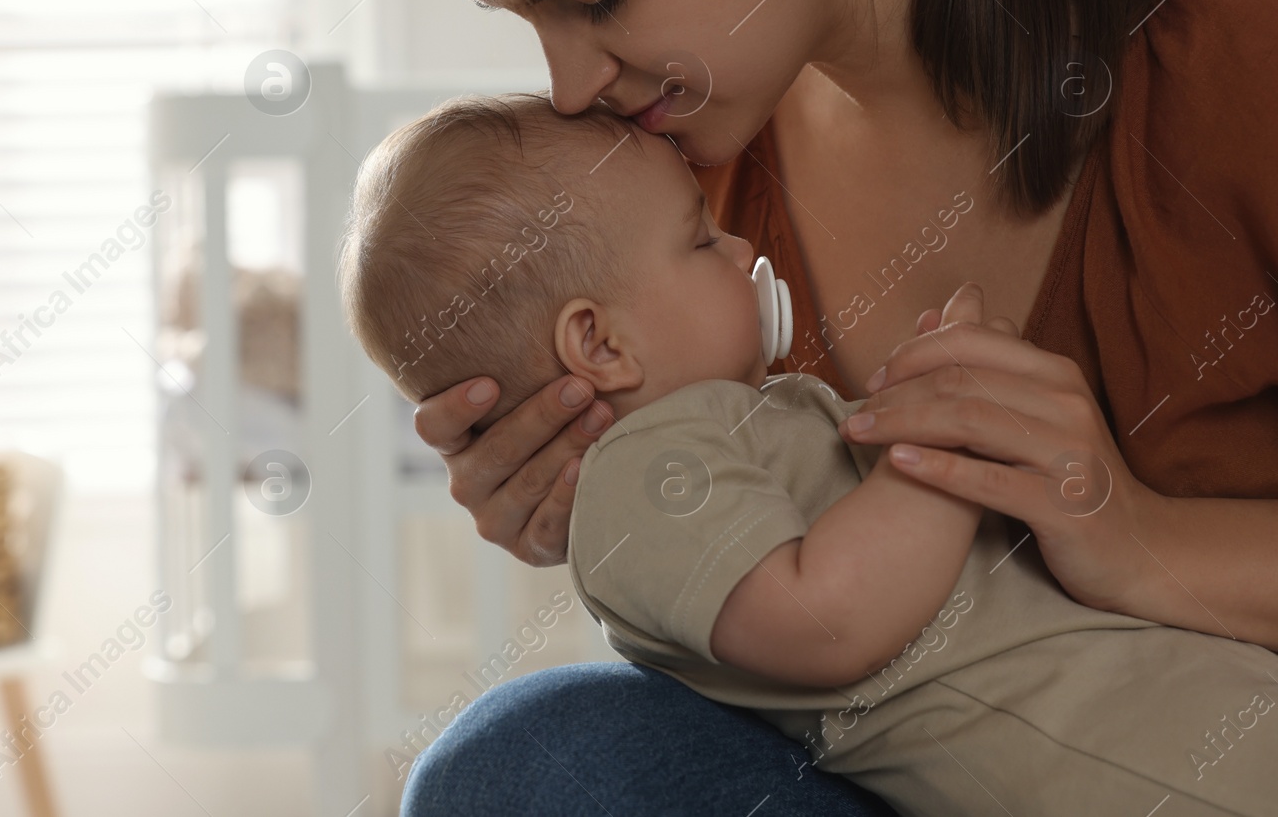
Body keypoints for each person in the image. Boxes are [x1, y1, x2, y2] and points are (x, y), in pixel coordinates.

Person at [356, 0, 1278, 812]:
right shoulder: (675, 182)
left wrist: (1142, 542)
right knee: (526, 760)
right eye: (529, 22)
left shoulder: (1240, 66)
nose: (568, 86)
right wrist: (609, 476)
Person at [339, 95, 1278, 815]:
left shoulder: (732, 422)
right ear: (600, 346)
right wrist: (937, 440)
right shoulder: (639, 473)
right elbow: (827, 623)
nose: (741, 242)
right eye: (700, 240)